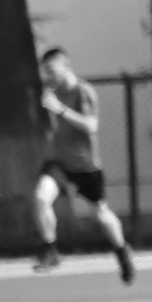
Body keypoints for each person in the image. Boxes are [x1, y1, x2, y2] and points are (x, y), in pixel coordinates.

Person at [31, 47, 135, 284]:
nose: (48, 76)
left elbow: (91, 126)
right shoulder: (52, 93)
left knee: (101, 213)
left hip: (85, 166)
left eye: (51, 71)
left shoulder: (82, 91)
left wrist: (61, 110)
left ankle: (122, 252)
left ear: (65, 67)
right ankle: (51, 251)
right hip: (59, 164)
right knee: (40, 198)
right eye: (45, 72)